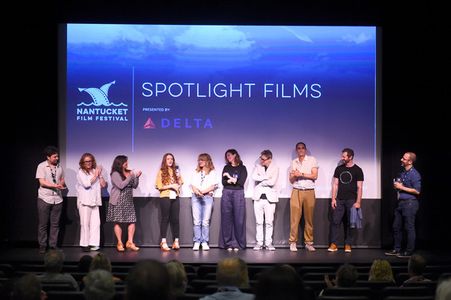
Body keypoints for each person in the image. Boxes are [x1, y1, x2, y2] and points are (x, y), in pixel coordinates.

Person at [385, 152, 421, 258]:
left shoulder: (415, 174)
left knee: (409, 227)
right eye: (402, 158)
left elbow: (417, 191)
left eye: (404, 159)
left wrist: (401, 188)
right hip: (401, 203)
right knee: (396, 226)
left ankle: (409, 252)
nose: (401, 159)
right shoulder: (403, 173)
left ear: (410, 161)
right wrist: (397, 187)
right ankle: (397, 249)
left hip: (410, 203)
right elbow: (401, 187)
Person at [328, 148, 364, 253]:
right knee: (335, 221)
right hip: (339, 199)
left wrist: (358, 202)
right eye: (342, 156)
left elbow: (360, 187)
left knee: (350, 222)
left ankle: (348, 244)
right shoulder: (339, 169)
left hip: (352, 200)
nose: (342, 158)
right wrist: (333, 199)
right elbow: (335, 184)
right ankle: (334, 244)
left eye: (344, 156)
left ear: (350, 157)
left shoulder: (358, 170)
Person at [106, 155, 141, 252]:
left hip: (128, 200)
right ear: (120, 163)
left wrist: (136, 177)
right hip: (118, 200)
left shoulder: (129, 172)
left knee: (132, 221)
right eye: (125, 161)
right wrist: (130, 176)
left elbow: (134, 185)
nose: (127, 163)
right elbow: (121, 186)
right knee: (118, 221)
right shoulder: (115, 173)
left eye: (127, 161)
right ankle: (120, 242)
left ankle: (130, 242)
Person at [35, 146, 66, 254]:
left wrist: (61, 185)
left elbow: (62, 179)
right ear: (48, 157)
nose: (57, 158)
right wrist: (55, 185)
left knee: (55, 224)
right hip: (45, 198)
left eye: (57, 156)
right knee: (43, 224)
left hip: (57, 199)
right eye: (54, 157)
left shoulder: (59, 167)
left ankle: (53, 246)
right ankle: (42, 246)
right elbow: (42, 182)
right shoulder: (41, 166)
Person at [288, 142, 319, 252]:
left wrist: (300, 174)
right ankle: (292, 242)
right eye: (298, 148)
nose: (300, 150)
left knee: (309, 219)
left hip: (309, 191)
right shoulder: (294, 162)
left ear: (305, 149)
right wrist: (293, 176)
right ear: (296, 150)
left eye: (302, 148)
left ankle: (309, 243)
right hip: (296, 191)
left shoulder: (312, 160)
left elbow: (315, 175)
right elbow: (291, 180)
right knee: (294, 219)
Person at [218, 149, 248, 251]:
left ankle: (237, 244)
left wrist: (230, 179)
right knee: (226, 218)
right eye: (227, 156)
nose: (228, 157)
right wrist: (232, 180)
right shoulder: (226, 167)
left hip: (238, 193)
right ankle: (227, 244)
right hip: (226, 193)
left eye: (230, 155)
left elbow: (241, 182)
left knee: (238, 219)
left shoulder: (242, 168)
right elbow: (224, 182)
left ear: (235, 155)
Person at [76, 153, 106, 252]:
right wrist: (96, 175)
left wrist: (100, 175)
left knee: (96, 223)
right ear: (83, 163)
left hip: (95, 201)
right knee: (85, 223)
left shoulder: (95, 171)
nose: (89, 163)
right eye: (86, 161)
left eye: (90, 161)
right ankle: (85, 244)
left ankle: (94, 243)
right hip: (85, 201)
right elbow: (86, 184)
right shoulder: (81, 172)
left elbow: (103, 185)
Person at [189, 153, 218, 251]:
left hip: (207, 198)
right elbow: (192, 185)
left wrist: (202, 192)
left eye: (202, 160)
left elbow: (213, 186)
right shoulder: (195, 172)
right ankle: (197, 241)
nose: (200, 162)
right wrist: (197, 192)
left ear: (207, 161)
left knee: (205, 222)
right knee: (196, 221)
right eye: (199, 160)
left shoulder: (212, 172)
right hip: (196, 197)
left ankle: (204, 241)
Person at [251, 150, 279, 251]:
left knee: (269, 222)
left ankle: (268, 243)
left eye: (263, 159)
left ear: (269, 159)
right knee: (259, 222)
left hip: (270, 199)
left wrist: (261, 181)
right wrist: (266, 177)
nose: (261, 161)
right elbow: (254, 177)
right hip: (258, 198)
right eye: (261, 158)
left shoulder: (275, 168)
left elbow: (272, 182)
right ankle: (259, 243)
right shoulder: (258, 167)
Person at [155, 153, 184, 251]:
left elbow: (180, 183)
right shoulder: (161, 171)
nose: (170, 160)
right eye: (168, 159)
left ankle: (176, 241)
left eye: (171, 159)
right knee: (165, 218)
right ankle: (163, 242)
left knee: (175, 219)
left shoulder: (176, 171)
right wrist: (171, 186)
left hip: (175, 196)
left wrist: (178, 181)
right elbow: (159, 186)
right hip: (165, 196)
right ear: (165, 160)